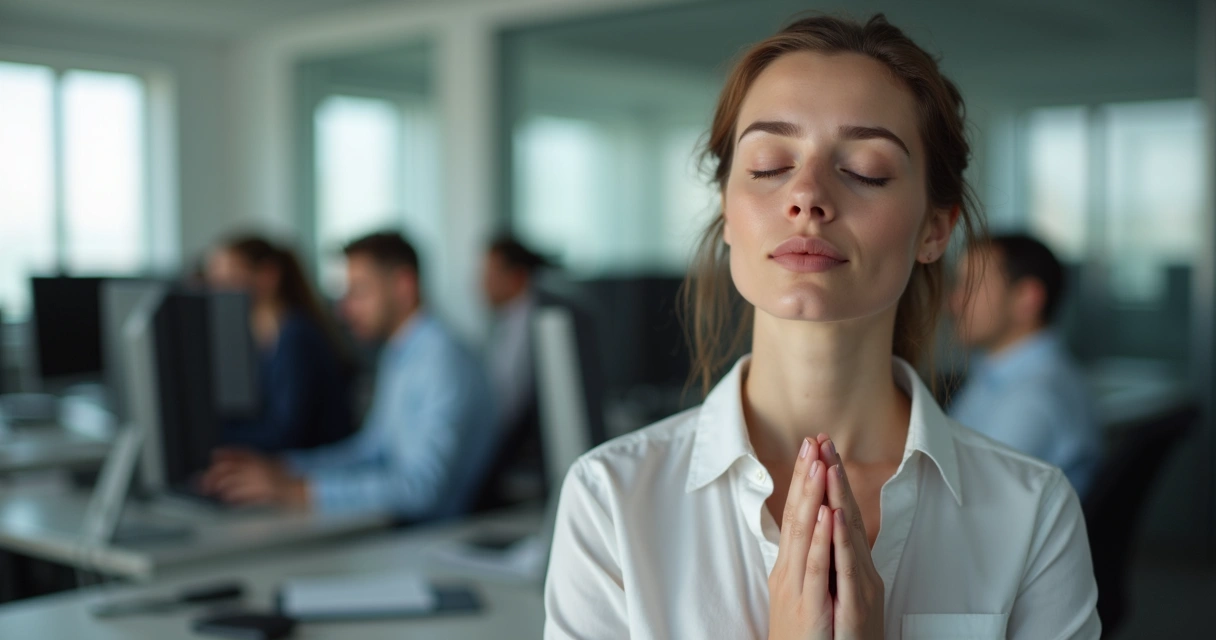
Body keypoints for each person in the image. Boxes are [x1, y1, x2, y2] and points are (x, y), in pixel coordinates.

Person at [544, 14, 1099, 640]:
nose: (807, 195)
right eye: (770, 164)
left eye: (865, 169)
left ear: (934, 230)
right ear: (727, 210)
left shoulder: (1032, 512)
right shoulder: (610, 501)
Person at [201, 232, 498, 521]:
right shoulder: (401, 352)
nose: (344, 309)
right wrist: (283, 469)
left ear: (404, 286)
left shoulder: (440, 360)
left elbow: (422, 490)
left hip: (427, 541)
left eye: (359, 291)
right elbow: (371, 451)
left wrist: (299, 490)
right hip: (399, 533)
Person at [948, 234, 1101, 498]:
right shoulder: (1000, 373)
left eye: (972, 285)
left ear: (1027, 298)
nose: (955, 301)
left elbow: (965, 502)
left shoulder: (1033, 398)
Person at [204, 235, 355, 453]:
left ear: (267, 276)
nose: (217, 290)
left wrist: (213, 440)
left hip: (313, 463)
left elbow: (287, 433)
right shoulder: (256, 335)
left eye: (229, 279)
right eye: (214, 281)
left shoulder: (297, 336)